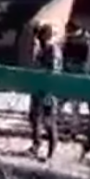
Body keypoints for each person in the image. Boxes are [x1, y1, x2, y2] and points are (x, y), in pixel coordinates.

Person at [28, 24, 62, 160]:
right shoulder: (41, 49)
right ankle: (36, 144)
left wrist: (48, 89)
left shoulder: (53, 50)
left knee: (49, 120)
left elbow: (53, 71)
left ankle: (51, 150)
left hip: (49, 90)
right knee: (34, 117)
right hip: (38, 88)